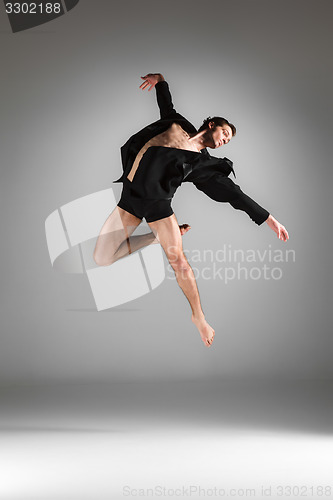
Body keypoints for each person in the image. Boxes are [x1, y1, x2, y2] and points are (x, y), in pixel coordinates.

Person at [93, 73, 289, 348]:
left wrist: (268, 218)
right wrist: (160, 80)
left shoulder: (201, 164)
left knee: (179, 262)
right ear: (211, 125)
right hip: (130, 197)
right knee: (102, 257)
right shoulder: (176, 124)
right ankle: (154, 237)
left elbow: (235, 193)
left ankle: (198, 317)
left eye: (228, 140)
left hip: (157, 206)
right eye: (225, 133)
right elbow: (166, 104)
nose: (225, 140)